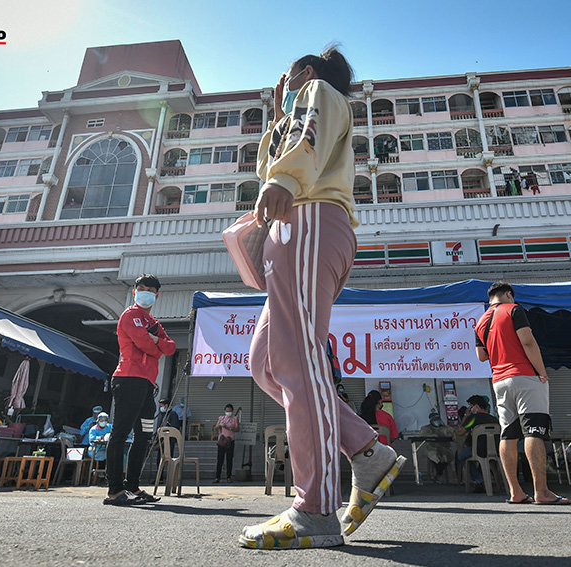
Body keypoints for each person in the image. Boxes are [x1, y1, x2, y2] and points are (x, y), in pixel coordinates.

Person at [242, 46, 406, 549]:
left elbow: (303, 139)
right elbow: (291, 139)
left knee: (297, 360)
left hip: (308, 223)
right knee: (267, 365)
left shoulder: (318, 91)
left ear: (307, 72)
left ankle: (314, 509)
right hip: (296, 229)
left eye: (290, 75)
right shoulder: (300, 107)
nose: (286, 82)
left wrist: (284, 178)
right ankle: (365, 450)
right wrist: (277, 117)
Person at [474, 281, 571, 505]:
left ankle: (515, 492)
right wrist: (542, 373)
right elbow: (527, 342)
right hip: (525, 376)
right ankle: (542, 492)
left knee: (508, 434)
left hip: (499, 380)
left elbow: (482, 356)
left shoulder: (480, 321)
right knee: (534, 430)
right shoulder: (514, 309)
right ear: (509, 294)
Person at [103, 274, 176, 506]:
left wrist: (153, 341)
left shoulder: (153, 323)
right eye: (142, 289)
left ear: (157, 295)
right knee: (120, 434)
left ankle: (132, 487)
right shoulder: (130, 315)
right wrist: (155, 343)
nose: (146, 293)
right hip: (128, 380)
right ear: (135, 292)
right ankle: (114, 491)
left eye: (151, 290)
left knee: (143, 436)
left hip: (146, 385)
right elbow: (148, 345)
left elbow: (171, 348)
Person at [456, 395, 500, 492]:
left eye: (471, 406)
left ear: (476, 406)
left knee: (462, 456)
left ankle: (480, 480)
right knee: (484, 461)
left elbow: (460, 432)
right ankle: (484, 481)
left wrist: (465, 416)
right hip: (495, 450)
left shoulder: (473, 418)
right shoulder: (494, 419)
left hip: (477, 449)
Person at [418, 410, 456, 483]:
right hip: (432, 447)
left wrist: (451, 435)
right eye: (435, 420)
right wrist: (431, 436)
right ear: (431, 420)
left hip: (445, 447)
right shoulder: (426, 428)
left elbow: (454, 432)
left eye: (438, 419)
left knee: (446, 456)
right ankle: (439, 473)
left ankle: (438, 473)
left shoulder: (446, 428)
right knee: (436, 456)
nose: (437, 421)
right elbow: (422, 436)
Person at [213, 403, 240, 483]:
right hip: (222, 440)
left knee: (229, 459)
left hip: (230, 440)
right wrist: (220, 425)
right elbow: (216, 427)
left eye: (230, 411)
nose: (228, 413)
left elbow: (237, 429)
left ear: (232, 411)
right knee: (220, 459)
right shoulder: (221, 418)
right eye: (227, 411)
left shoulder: (235, 418)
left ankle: (229, 476)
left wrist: (228, 427)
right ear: (224, 411)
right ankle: (217, 477)